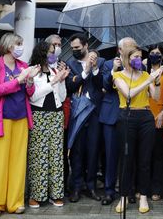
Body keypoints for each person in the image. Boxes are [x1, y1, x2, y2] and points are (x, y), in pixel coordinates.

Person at [0, 33, 40, 217]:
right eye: (18, 44)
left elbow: (30, 93)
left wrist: (30, 80)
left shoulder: (23, 66)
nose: (21, 47)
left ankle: (15, 202)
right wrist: (19, 80)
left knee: (18, 162)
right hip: (0, 120)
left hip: (21, 118)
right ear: (8, 46)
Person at [113, 46, 162, 214]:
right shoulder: (118, 75)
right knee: (126, 159)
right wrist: (147, 82)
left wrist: (156, 80)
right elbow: (128, 94)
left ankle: (143, 196)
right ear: (127, 58)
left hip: (146, 117)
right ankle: (124, 197)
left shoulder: (146, 75)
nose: (138, 60)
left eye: (140, 57)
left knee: (144, 160)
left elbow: (155, 97)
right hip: (127, 117)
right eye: (135, 57)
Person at [27, 41, 69, 208]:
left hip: (57, 115)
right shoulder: (33, 72)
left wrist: (62, 80)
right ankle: (37, 195)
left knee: (56, 155)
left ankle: (56, 194)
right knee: (39, 155)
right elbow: (33, 96)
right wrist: (53, 82)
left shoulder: (54, 70)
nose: (53, 55)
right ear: (42, 53)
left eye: (54, 52)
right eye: (51, 52)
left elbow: (63, 97)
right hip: (39, 115)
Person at [65, 33, 105, 203]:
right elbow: (70, 85)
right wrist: (85, 71)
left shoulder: (101, 62)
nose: (74, 50)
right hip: (77, 113)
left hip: (95, 112)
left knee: (93, 149)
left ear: (86, 45)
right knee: (77, 151)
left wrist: (94, 69)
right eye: (73, 48)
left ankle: (91, 186)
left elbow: (101, 84)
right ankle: (76, 187)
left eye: (77, 48)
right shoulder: (70, 64)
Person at [99, 37, 137, 205]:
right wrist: (114, 71)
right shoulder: (108, 64)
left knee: (129, 155)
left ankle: (127, 190)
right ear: (120, 50)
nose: (131, 49)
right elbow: (105, 87)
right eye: (128, 47)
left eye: (133, 47)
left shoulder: (137, 64)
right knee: (110, 155)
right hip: (111, 115)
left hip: (131, 115)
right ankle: (109, 190)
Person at [147, 44, 163, 202]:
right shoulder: (142, 72)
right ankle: (144, 188)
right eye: (152, 53)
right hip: (143, 117)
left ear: (162, 56)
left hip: (159, 117)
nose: (154, 55)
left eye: (157, 53)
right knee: (144, 156)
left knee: (158, 156)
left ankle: (157, 189)